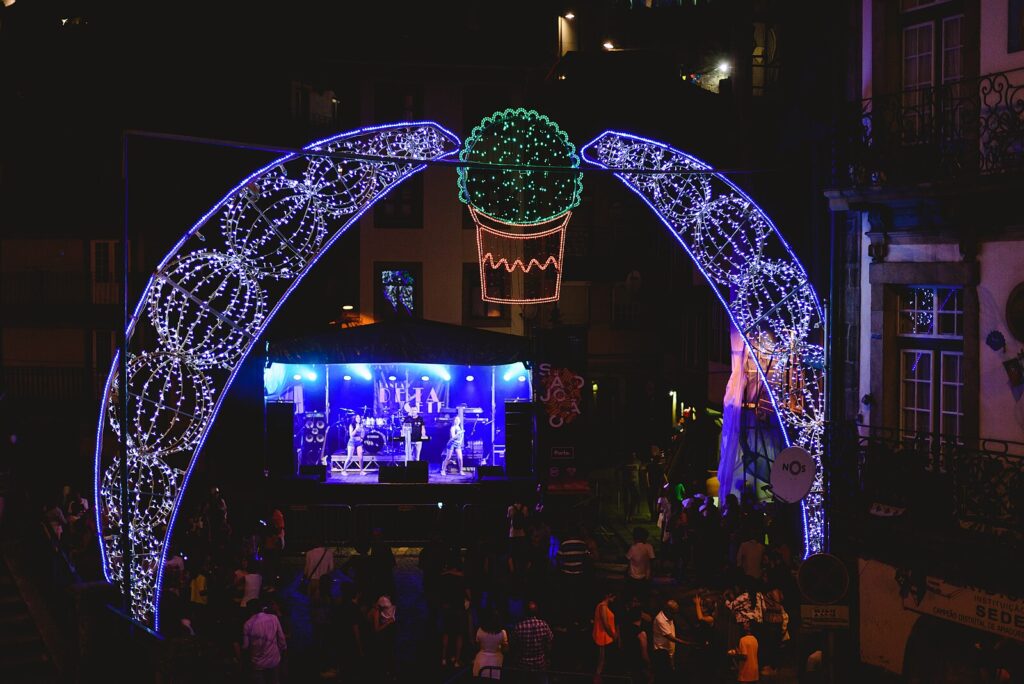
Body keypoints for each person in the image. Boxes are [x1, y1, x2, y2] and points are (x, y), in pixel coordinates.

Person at [241, 599, 287, 683]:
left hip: (258, 663)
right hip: (274, 659)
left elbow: (246, 645)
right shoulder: (274, 618)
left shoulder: (248, 624)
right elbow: (281, 638)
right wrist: (282, 650)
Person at [511, 600, 554, 676]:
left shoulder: (519, 626)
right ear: (536, 611)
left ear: (524, 612)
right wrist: (548, 657)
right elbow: (550, 641)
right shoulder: (543, 624)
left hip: (523, 664)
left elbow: (514, 645)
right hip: (540, 663)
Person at [652, 599, 691, 681]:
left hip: (669, 650)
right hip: (661, 651)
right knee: (665, 676)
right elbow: (670, 637)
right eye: (674, 612)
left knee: (672, 672)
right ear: (668, 610)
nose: (676, 614)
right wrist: (687, 643)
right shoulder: (660, 619)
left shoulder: (670, 616)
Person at [472, 608, 509, 679]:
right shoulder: (502, 633)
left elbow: (477, 646)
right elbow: (506, 650)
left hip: (481, 660)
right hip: (496, 661)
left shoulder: (480, 630)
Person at [622, 606, 651, 684]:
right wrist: (649, 664)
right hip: (639, 665)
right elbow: (644, 653)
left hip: (628, 662)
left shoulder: (625, 629)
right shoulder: (641, 633)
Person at [626, 527, 655, 601]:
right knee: (643, 598)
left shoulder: (633, 548)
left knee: (632, 597)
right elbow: (652, 560)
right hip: (645, 577)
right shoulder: (649, 547)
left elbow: (627, 559)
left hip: (633, 576)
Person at [593, 590, 618, 676]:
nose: (614, 599)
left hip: (606, 638)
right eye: (614, 597)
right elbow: (605, 622)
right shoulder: (603, 606)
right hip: (602, 638)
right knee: (601, 663)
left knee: (603, 662)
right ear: (609, 595)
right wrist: (613, 634)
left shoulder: (604, 607)